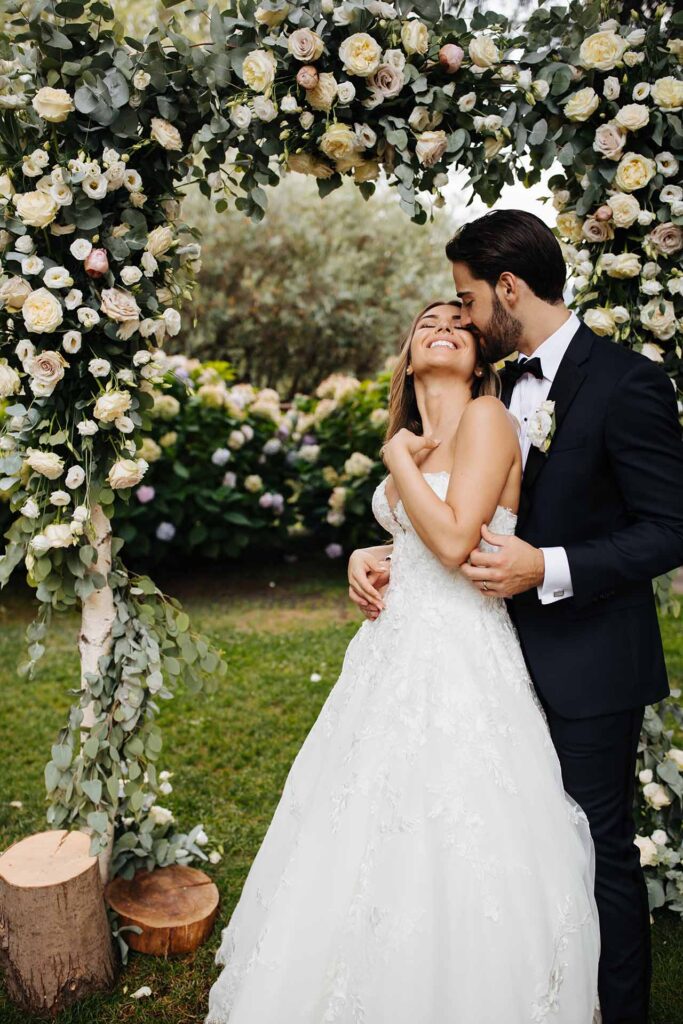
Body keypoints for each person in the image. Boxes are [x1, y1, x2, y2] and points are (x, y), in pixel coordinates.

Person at [205, 295, 601, 1023]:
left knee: (454, 826)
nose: (445, 330)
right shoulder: (419, 435)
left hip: (459, 658)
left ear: (480, 357)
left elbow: (454, 543)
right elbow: (423, 540)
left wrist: (393, 459)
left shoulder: (487, 419)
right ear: (408, 353)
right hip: (387, 655)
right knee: (362, 821)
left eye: (460, 325)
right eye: (429, 324)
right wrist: (373, 552)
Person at [349, 210, 683, 1024]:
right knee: (505, 849)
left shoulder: (625, 381)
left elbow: (670, 526)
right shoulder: (492, 391)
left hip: (586, 656)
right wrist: (376, 554)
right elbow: (463, 511)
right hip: (486, 653)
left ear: (508, 288)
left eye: (466, 299)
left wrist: (551, 566)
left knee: (589, 846)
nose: (459, 317)